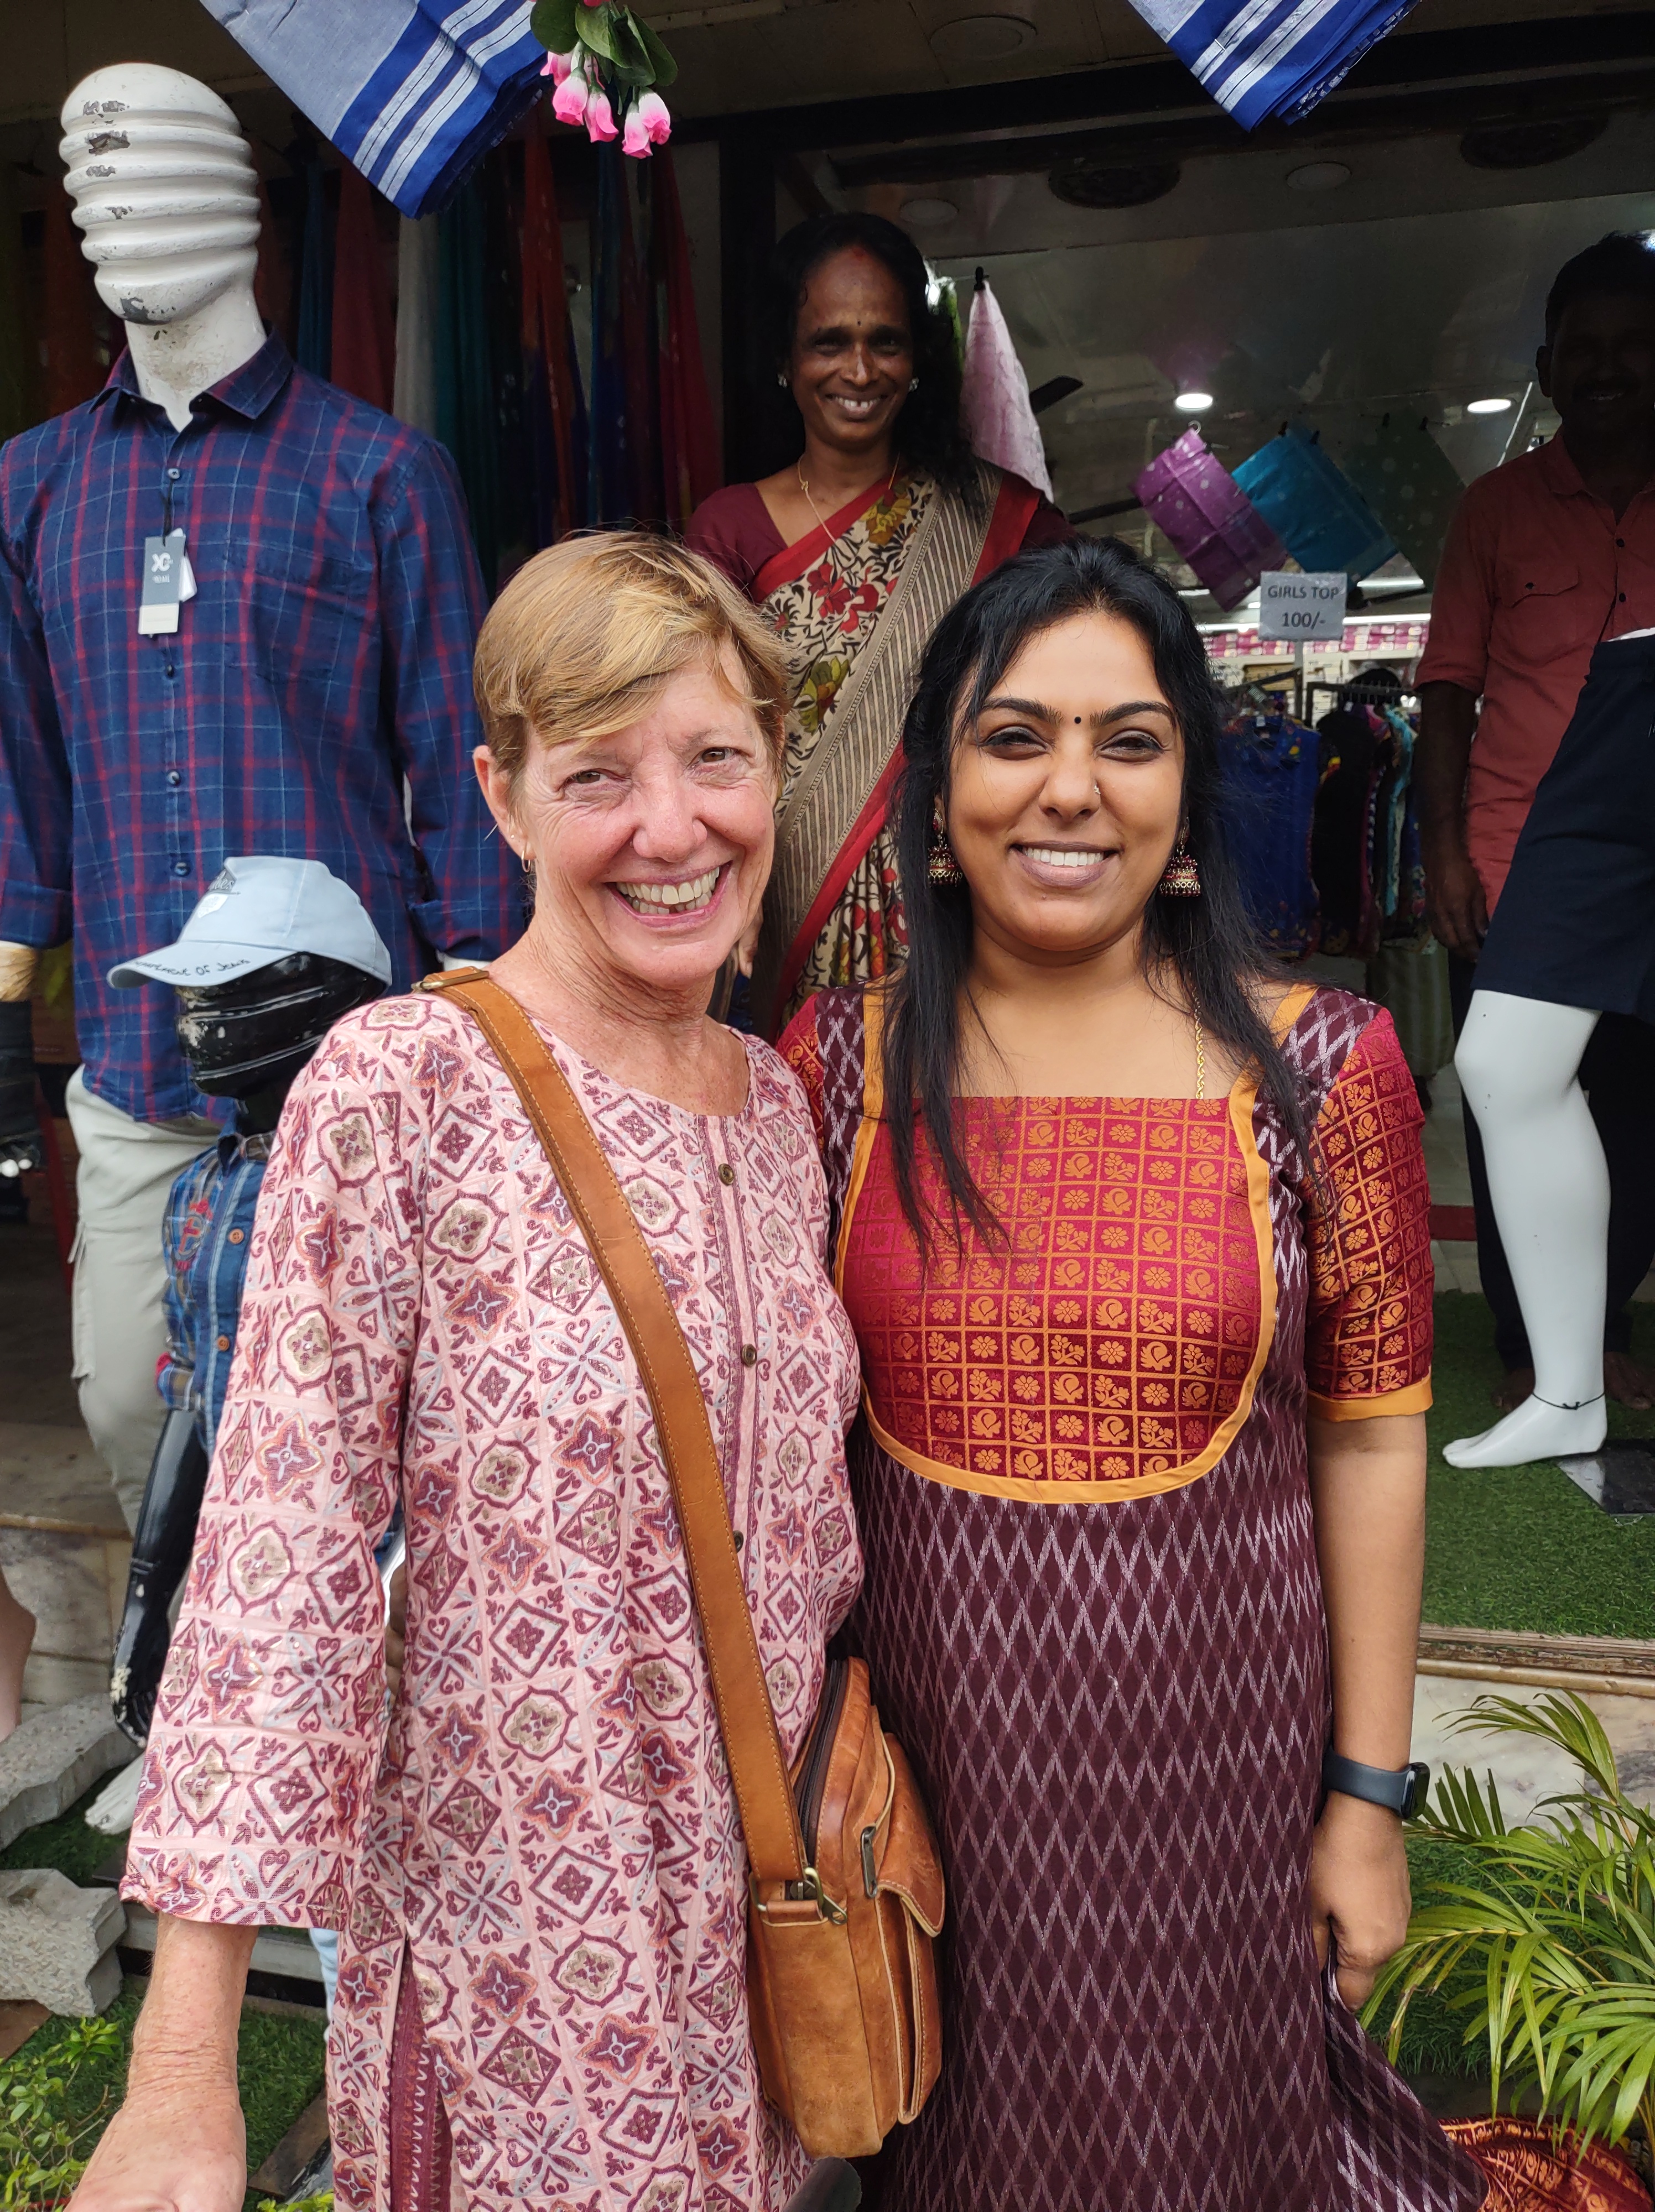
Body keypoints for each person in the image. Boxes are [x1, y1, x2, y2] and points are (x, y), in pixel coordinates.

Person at [73, 536, 862, 2212]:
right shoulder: (404, 1085)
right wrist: (184, 2077)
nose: (672, 828)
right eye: (599, 777)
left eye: (716, 759)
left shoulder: (780, 1110)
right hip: (517, 2010)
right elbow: (278, 1564)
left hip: (761, 1971)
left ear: (778, 774)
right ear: (502, 799)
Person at [780, 537, 1497, 2212]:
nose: (1070, 790)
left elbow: (1371, 1444)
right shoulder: (834, 1069)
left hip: (1219, 1799)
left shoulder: (1321, 1067)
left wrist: (1365, 1799)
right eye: (1013, 735)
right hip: (937, 1812)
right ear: (937, 789)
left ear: (1185, 796)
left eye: (1128, 740)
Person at [0, 65, 519, 1534]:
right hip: (134, 1057)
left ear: (237, 215)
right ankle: (193, 1646)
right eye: (98, 193)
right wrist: (14, 949)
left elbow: (455, 753)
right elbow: (21, 757)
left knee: (351, 1404)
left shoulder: (381, 473)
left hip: (342, 1055)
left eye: (152, 185)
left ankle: (324, 1652)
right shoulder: (30, 488)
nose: (125, 218)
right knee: (128, 1396)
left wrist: (480, 988)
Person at [103, 857, 394, 2008]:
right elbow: (194, 1397)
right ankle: (355, 2077)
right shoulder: (204, 1190)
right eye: (188, 997)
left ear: (336, 1000)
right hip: (260, 1595)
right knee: (315, 1868)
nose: (196, 1025)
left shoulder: (398, 1175)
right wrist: (148, 1599)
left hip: (383, 1584)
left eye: (230, 995)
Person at [686, 212, 1070, 1036]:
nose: (859, 370)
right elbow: (696, 733)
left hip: (962, 902)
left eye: (885, 342)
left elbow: (1080, 692)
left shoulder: (1000, 521)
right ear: (786, 360)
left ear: (919, 359)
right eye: (828, 342)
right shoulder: (730, 530)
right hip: (787, 899)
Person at [1415, 231, 1655, 1412]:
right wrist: (1442, 857)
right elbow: (1445, 695)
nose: (1605, 367)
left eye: (1631, 344)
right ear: (1547, 367)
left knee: (1639, 1121)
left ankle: (1598, 1326)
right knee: (1517, 1112)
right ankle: (1533, 1349)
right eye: (1581, 347)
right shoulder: (1494, 511)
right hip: (1517, 871)